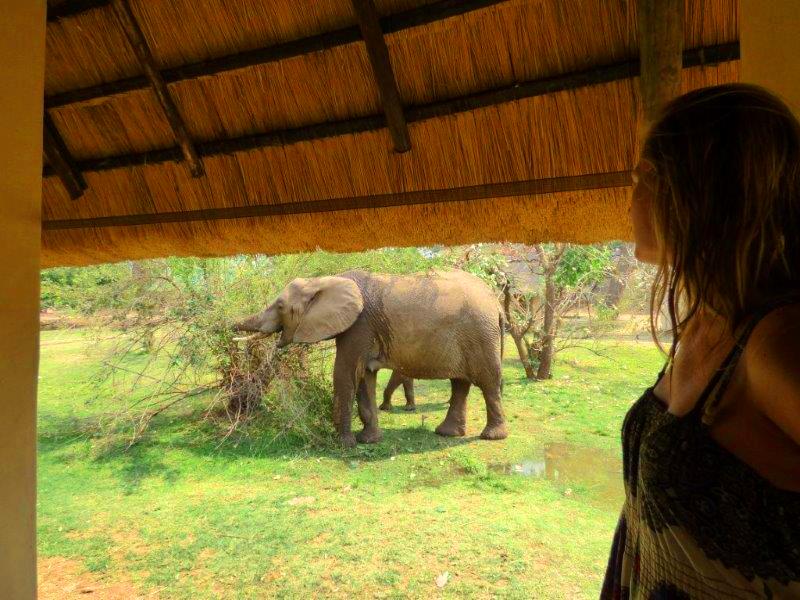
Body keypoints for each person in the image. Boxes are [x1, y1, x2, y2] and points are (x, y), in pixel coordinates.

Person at [601, 84, 800, 599]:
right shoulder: (708, 320)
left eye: (642, 179)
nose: (629, 201)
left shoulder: (774, 344)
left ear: (694, 192)